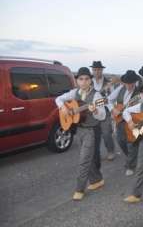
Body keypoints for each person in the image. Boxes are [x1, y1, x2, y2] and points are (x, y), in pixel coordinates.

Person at [55, 67, 106, 201]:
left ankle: (79, 189)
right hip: (80, 129)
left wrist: (95, 111)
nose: (83, 82)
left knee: (84, 160)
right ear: (77, 81)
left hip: (91, 130)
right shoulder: (74, 92)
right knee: (87, 157)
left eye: (87, 79)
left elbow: (102, 116)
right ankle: (97, 180)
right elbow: (58, 99)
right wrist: (64, 108)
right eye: (81, 79)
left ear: (91, 80)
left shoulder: (97, 96)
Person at [108, 70, 141, 176]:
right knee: (120, 140)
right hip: (119, 119)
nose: (129, 85)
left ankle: (131, 165)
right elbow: (108, 99)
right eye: (127, 83)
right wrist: (113, 109)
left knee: (131, 143)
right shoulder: (120, 89)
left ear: (135, 82)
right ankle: (132, 158)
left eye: (131, 83)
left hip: (133, 119)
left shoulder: (139, 93)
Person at [91, 61, 116, 161]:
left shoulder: (108, 83)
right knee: (94, 134)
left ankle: (110, 151)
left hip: (105, 109)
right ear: (92, 70)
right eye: (95, 70)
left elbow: (112, 97)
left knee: (106, 133)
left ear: (102, 70)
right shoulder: (89, 81)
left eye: (99, 70)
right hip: (92, 110)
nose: (97, 72)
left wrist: (111, 108)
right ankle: (95, 154)